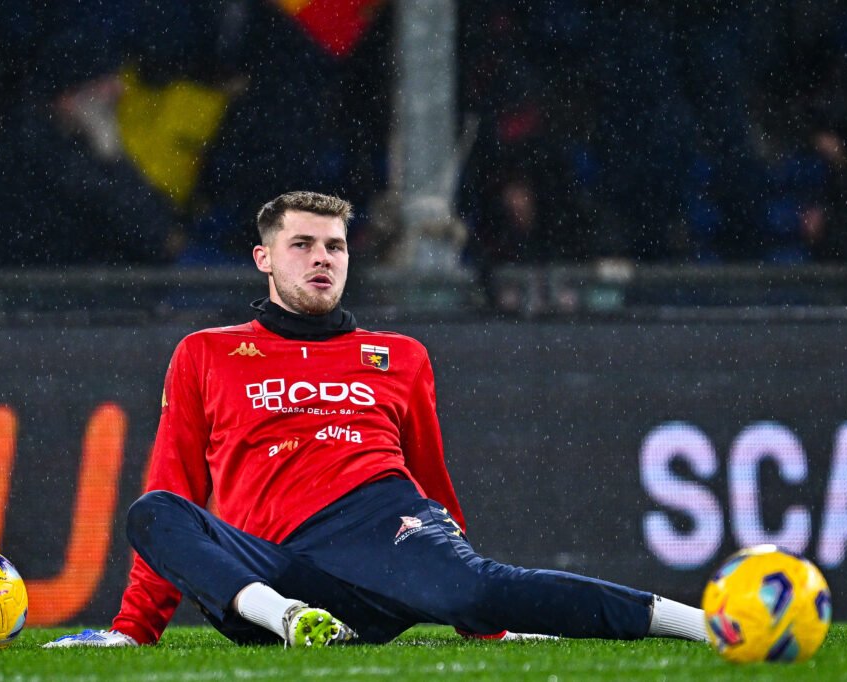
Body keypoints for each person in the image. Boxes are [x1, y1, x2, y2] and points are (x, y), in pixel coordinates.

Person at [45, 191, 707, 648]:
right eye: (301, 244)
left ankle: (700, 625)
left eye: (333, 245)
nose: (321, 258)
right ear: (264, 258)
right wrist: (135, 629)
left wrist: (465, 591)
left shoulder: (398, 357)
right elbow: (177, 480)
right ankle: (289, 620)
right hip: (270, 569)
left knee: (485, 590)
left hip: (375, 523)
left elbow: (430, 478)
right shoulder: (206, 353)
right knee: (154, 512)